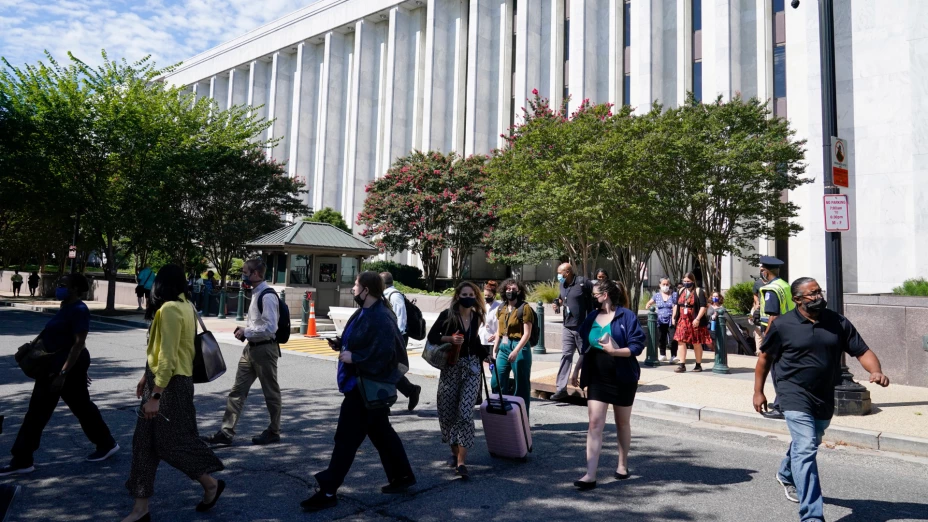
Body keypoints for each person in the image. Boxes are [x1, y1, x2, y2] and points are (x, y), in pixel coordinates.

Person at [754, 277, 889, 522]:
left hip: (824, 393)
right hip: (792, 392)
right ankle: (812, 515)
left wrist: (875, 371)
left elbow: (862, 350)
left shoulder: (837, 322)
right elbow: (765, 358)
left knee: (810, 441)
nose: (818, 297)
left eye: (819, 292)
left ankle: (786, 472)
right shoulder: (783, 325)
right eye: (812, 294)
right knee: (806, 446)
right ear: (797, 300)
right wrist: (758, 391)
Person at [301, 272, 415, 512]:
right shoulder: (366, 311)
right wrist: (341, 344)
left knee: (346, 439)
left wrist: (356, 357)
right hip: (363, 387)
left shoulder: (381, 316)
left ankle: (328, 490)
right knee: (382, 433)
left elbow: (386, 353)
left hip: (363, 389)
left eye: (356, 285)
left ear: (366, 290)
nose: (353, 289)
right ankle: (402, 476)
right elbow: (362, 340)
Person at [122, 264, 225, 522]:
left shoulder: (169, 309)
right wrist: (146, 376)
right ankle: (140, 508)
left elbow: (168, 357)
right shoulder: (186, 305)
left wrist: (155, 395)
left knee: (172, 443)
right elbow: (165, 350)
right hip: (167, 381)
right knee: (143, 444)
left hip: (169, 386)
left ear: (161, 284)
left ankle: (210, 483)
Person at [0, 273, 119, 477]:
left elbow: (79, 344)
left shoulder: (79, 310)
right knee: (82, 407)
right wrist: (77, 371)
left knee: (37, 412)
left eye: (63, 284)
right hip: (60, 366)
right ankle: (106, 443)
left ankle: (22, 460)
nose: (59, 287)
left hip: (59, 370)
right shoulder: (66, 307)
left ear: (75, 289)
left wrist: (64, 373)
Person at [570, 280, 645, 490]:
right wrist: (576, 369)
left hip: (623, 375)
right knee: (594, 423)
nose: (592, 298)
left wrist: (615, 351)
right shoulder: (592, 317)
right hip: (596, 375)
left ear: (606, 295)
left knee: (622, 422)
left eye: (595, 294)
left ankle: (622, 464)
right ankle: (590, 474)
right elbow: (586, 346)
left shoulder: (626, 316)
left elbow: (637, 346)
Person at [202, 258, 282, 446]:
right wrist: (246, 332)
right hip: (251, 349)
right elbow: (258, 324)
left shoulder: (267, 296)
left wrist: (247, 331)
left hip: (265, 349)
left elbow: (271, 327)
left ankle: (274, 431)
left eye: (245, 272)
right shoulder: (255, 293)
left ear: (256, 274)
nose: (243, 276)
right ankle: (226, 432)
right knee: (237, 391)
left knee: (270, 392)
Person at [427, 281, 487, 480]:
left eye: (471, 294)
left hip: (471, 368)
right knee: (447, 413)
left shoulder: (476, 317)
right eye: (464, 294)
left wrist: (486, 355)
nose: (468, 297)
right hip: (451, 367)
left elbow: (474, 341)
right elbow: (432, 336)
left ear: (476, 297)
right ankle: (454, 451)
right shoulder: (448, 315)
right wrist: (450, 339)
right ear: (458, 296)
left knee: (465, 414)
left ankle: (461, 462)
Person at [490, 279, 536, 417]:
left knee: (521, 385)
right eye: (508, 289)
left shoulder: (524, 308)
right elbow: (499, 330)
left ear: (519, 291)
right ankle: (501, 414)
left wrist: (516, 351)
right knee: (496, 381)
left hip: (519, 345)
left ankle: (521, 418)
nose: (510, 291)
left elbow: (527, 334)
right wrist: (494, 349)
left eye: (513, 289)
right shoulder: (501, 308)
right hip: (504, 346)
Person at [757, 256, 795, 420]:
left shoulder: (771, 289)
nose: (761, 273)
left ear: (765, 272)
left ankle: (780, 406)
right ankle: (782, 402)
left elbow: (773, 315)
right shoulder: (785, 285)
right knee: (782, 368)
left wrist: (767, 337)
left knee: (777, 370)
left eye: (762, 270)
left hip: (776, 333)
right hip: (788, 329)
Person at [551, 263, 594, 401]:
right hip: (567, 326)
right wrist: (557, 303)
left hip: (582, 326)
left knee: (586, 356)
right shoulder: (562, 285)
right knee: (566, 355)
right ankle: (561, 389)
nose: (558, 275)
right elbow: (561, 298)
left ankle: (591, 387)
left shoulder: (583, 283)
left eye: (560, 273)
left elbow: (595, 295)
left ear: (568, 272)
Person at [381, 272, 422, 411]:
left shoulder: (394, 296)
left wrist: (394, 340)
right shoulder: (384, 295)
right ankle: (410, 390)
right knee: (388, 368)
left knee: (388, 368)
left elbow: (401, 319)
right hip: (389, 337)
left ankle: (387, 401)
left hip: (396, 337)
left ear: (383, 284)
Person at [671, 272, 711, 373]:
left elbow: (703, 306)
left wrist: (697, 319)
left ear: (693, 281)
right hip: (682, 320)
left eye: (688, 281)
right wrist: (673, 317)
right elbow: (676, 305)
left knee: (696, 342)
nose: (686, 283)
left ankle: (698, 365)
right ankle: (682, 365)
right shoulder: (681, 290)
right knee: (680, 341)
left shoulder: (698, 291)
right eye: (684, 281)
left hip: (694, 320)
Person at [645, 278, 677, 363]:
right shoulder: (657, 295)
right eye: (663, 284)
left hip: (671, 320)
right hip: (660, 320)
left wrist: (673, 317)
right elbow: (649, 303)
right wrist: (648, 306)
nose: (665, 286)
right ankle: (663, 354)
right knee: (661, 338)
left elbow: (675, 306)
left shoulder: (674, 295)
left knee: (673, 338)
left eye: (667, 284)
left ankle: (673, 355)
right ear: (660, 285)